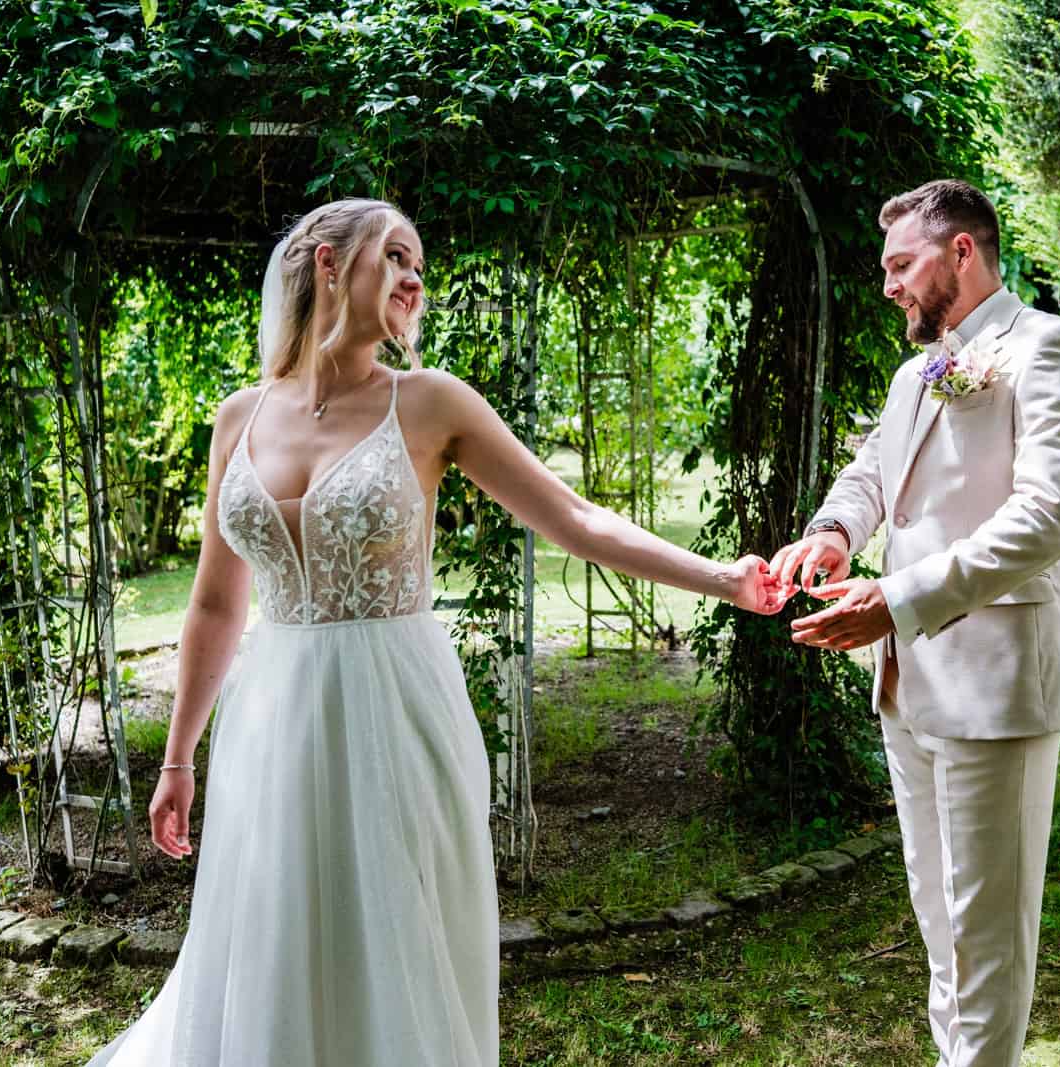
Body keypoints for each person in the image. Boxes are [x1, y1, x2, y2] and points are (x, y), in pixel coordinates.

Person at [86, 198, 782, 1067]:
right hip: (271, 725)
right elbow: (217, 605)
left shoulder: (429, 404)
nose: (417, 279)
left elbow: (571, 517)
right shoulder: (239, 418)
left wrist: (721, 578)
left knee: (396, 943)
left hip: (395, 713)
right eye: (399, 256)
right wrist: (180, 756)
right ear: (332, 263)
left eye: (421, 266)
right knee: (275, 937)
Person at [769, 179, 1060, 1067]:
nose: (887, 285)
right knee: (938, 922)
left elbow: (1047, 517)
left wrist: (900, 596)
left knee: (986, 935)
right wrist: (832, 534)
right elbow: (874, 475)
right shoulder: (916, 370)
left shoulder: (1049, 349)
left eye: (900, 264)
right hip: (906, 686)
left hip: (995, 685)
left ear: (962, 252)